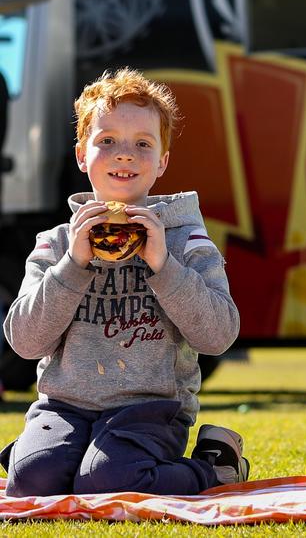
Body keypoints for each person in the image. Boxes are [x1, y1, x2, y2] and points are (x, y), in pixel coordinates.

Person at [1, 67, 247, 497]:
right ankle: (43, 453)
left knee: (109, 481)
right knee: (31, 482)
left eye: (143, 144)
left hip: (151, 408)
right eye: (107, 141)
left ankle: (216, 467)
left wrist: (164, 265)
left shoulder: (185, 239)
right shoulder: (56, 243)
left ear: (162, 162)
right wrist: (73, 265)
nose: (124, 154)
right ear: (82, 154)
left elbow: (218, 336)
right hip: (65, 405)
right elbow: (24, 341)